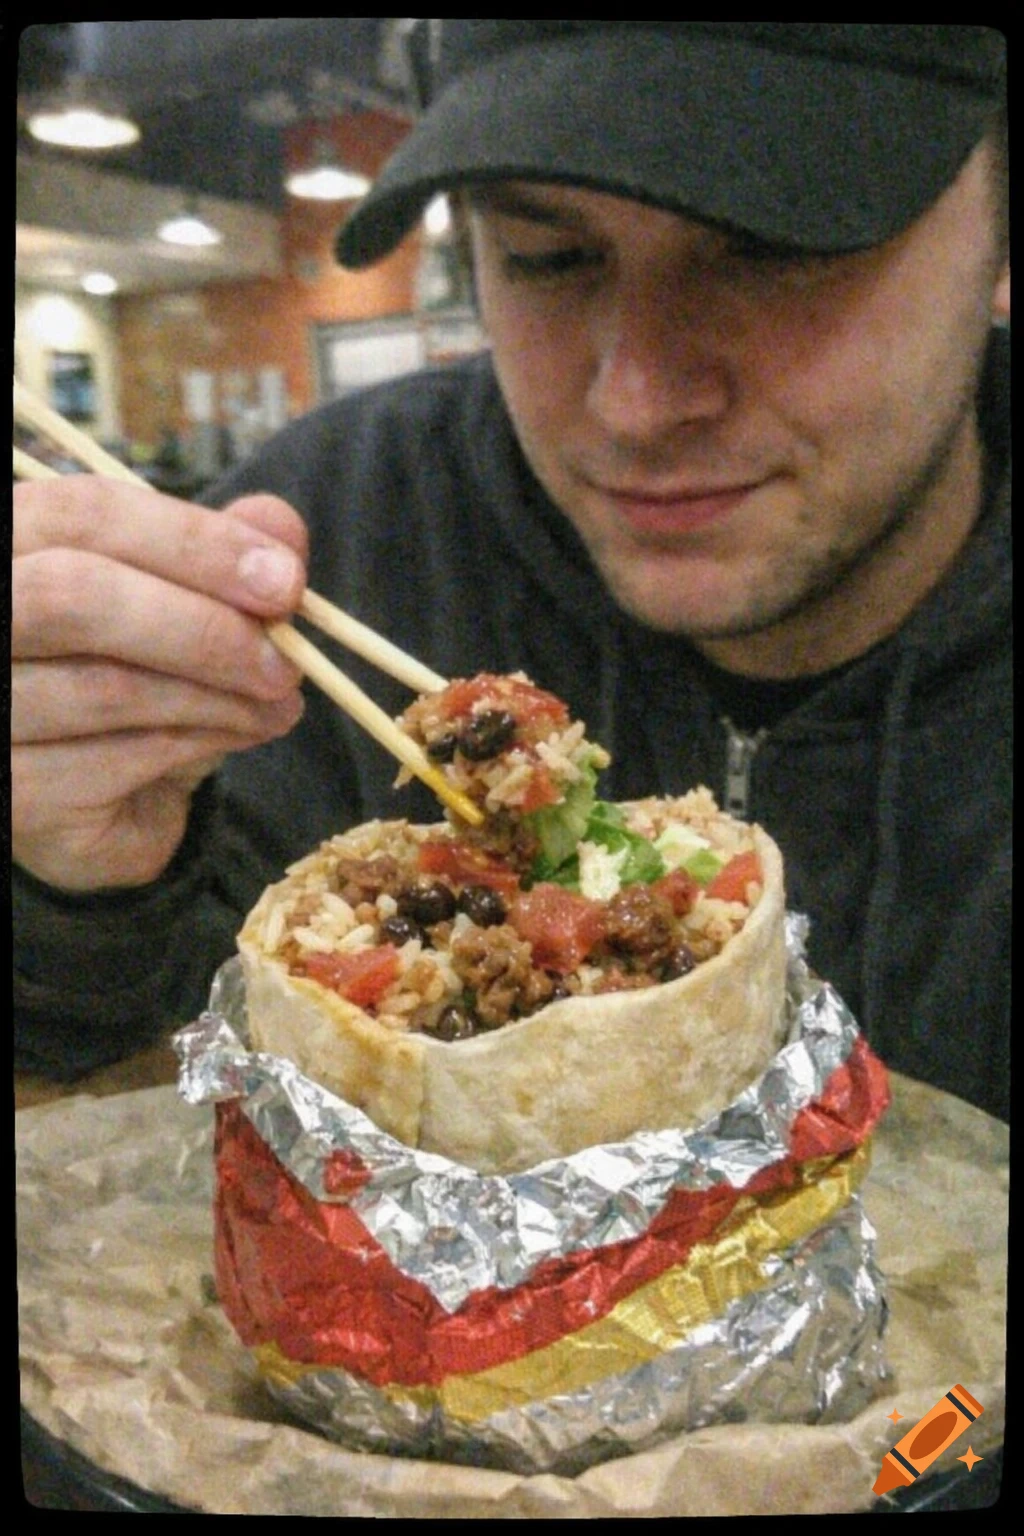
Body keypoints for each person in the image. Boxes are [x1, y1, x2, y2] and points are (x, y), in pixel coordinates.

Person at [13, 23, 1010, 1121]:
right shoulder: (323, 533)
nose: (634, 400)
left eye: (777, 248)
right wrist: (67, 896)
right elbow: (117, 1073)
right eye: (547, 258)